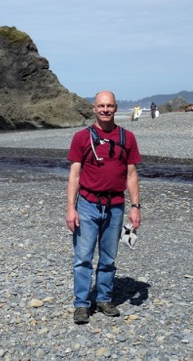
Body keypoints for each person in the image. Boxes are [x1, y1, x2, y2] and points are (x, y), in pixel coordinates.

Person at [66, 90, 141, 324]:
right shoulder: (81, 138)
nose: (105, 110)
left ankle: (104, 298)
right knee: (83, 258)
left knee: (108, 258)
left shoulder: (127, 138)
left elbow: (131, 174)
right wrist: (71, 207)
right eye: (101, 106)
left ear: (116, 108)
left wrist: (135, 206)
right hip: (88, 205)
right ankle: (81, 304)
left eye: (109, 106)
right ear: (94, 109)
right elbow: (75, 175)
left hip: (116, 206)